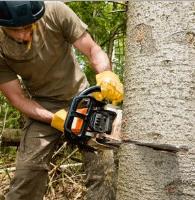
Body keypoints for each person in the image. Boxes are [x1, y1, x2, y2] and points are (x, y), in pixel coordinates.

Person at [0, 1, 123, 200]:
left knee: (104, 172)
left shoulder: (55, 11)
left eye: (27, 27)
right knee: (27, 172)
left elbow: (93, 50)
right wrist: (54, 119)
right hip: (41, 106)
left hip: (83, 98)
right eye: (15, 30)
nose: (23, 35)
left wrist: (107, 75)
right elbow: (17, 98)